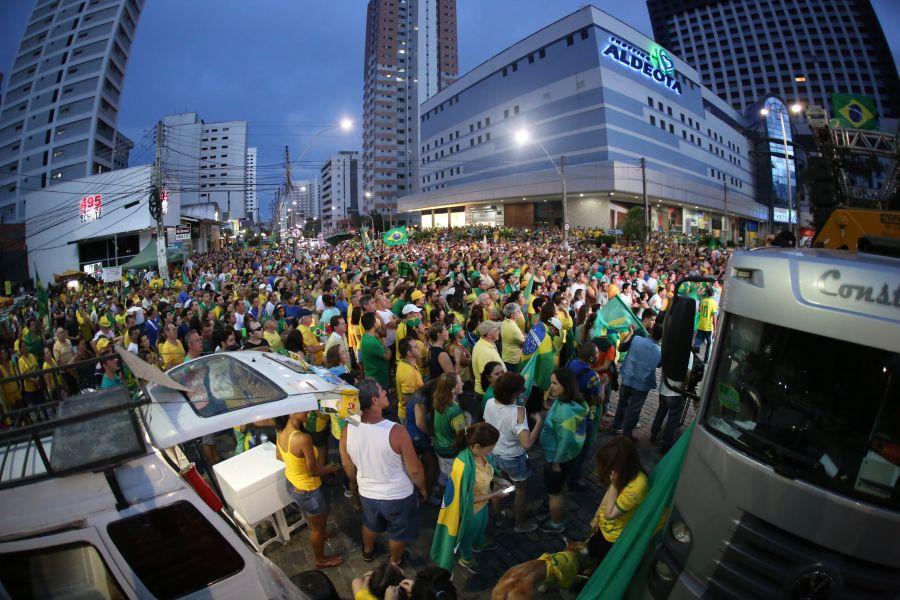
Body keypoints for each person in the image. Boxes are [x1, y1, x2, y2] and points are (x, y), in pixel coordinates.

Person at [340, 379, 427, 565]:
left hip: (367, 492)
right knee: (398, 532)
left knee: (370, 524)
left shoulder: (348, 428)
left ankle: (368, 551)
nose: (386, 392)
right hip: (398, 496)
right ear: (374, 400)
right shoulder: (396, 431)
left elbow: (347, 465)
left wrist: (354, 482)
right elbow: (415, 469)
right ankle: (395, 560)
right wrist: (422, 488)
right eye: (382, 390)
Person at [431, 422, 511, 574]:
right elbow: (466, 499)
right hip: (470, 512)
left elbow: (487, 473)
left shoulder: (480, 456)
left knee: (481, 526)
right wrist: (495, 495)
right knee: (467, 536)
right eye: (491, 448)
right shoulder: (463, 466)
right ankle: (466, 558)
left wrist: (498, 480)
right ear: (476, 447)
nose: (492, 451)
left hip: (482, 506)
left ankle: (479, 542)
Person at [275, 412, 343, 568]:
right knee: (317, 529)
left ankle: (320, 532)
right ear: (291, 412)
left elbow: (279, 455)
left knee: (315, 521)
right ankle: (320, 559)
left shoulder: (281, 430)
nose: (309, 412)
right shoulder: (302, 439)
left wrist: (296, 464)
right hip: (308, 490)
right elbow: (314, 471)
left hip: (292, 483)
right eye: (303, 409)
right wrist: (333, 469)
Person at [483, 372, 543, 533]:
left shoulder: (489, 402)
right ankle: (520, 524)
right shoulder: (519, 412)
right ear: (514, 393)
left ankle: (498, 517)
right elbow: (527, 443)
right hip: (513, 458)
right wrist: (538, 423)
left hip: (494, 453)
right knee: (521, 491)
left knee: (499, 483)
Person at [539, 368, 588, 534]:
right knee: (559, 488)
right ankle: (557, 510)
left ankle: (555, 523)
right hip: (570, 456)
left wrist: (556, 462)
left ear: (566, 386)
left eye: (554, 383)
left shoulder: (564, 411)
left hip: (557, 458)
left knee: (554, 493)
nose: (550, 386)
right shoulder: (571, 403)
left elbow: (565, 440)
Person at [589, 436, 648, 560]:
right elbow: (609, 493)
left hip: (613, 537)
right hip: (603, 529)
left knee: (600, 562)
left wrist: (615, 485)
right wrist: (597, 515)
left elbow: (609, 514)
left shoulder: (637, 486)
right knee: (590, 554)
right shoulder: (621, 473)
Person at [613, 324, 663, 439]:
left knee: (622, 403)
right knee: (634, 410)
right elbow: (659, 364)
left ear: (650, 332)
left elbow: (622, 346)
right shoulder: (659, 352)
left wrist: (631, 333)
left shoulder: (636, 339)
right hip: (642, 385)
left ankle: (617, 426)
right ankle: (626, 434)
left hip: (628, 378)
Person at [566, 341, 604, 489]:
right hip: (584, 415)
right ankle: (574, 479)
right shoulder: (592, 376)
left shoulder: (571, 363)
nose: (598, 354)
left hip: (570, 409)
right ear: (592, 358)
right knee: (582, 448)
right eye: (596, 353)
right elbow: (598, 399)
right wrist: (603, 385)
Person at [651, 347, 692, 453]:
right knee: (672, 420)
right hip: (675, 393)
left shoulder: (671, 348)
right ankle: (666, 443)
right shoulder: (688, 353)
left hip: (664, 389)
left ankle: (653, 434)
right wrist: (682, 389)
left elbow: (663, 367)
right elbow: (687, 373)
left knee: (660, 412)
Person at [432, 372, 468, 477]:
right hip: (451, 452)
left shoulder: (438, 400)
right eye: (459, 382)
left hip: (439, 448)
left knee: (447, 476)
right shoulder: (455, 412)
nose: (462, 384)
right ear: (452, 390)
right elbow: (463, 434)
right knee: (456, 481)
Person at [471, 320, 504, 410]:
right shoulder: (485, 352)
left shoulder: (488, 344)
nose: (499, 331)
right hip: (487, 394)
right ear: (489, 334)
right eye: (496, 330)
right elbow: (485, 378)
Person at [359, 312, 391, 391]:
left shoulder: (365, 337)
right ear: (374, 324)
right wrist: (388, 349)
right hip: (379, 378)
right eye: (377, 320)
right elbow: (387, 357)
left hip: (371, 374)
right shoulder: (373, 342)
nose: (378, 321)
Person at [395, 338, 423, 423]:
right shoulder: (407, 373)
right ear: (409, 353)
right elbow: (409, 401)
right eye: (415, 346)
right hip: (410, 416)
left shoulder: (408, 363)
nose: (418, 347)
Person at [694, 287, 718, 362]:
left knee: (697, 342)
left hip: (701, 325)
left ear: (707, 294)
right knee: (709, 344)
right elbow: (714, 316)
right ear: (713, 294)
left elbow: (700, 310)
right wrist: (715, 328)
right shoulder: (714, 303)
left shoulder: (703, 301)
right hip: (708, 327)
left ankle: (694, 355)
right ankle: (706, 360)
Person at [500, 302, 525, 373]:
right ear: (512, 315)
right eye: (518, 311)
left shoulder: (505, 321)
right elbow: (524, 343)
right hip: (513, 361)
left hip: (507, 357)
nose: (520, 313)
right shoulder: (513, 328)